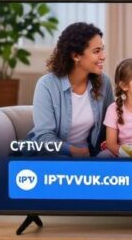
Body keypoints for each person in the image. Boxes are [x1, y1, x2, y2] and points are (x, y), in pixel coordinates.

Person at [26, 22, 113, 157]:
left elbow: (109, 126)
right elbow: (43, 136)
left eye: (102, 49)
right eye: (97, 51)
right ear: (76, 56)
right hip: (54, 155)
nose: (103, 56)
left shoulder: (104, 82)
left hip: (89, 155)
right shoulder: (46, 85)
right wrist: (73, 151)